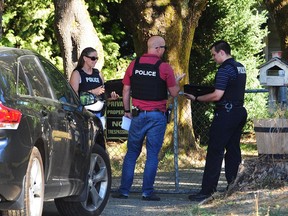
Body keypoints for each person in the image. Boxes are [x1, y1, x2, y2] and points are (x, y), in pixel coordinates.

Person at [112, 35, 185, 201]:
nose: (164, 51)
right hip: (156, 116)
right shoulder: (164, 67)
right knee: (152, 154)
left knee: (131, 153)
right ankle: (147, 192)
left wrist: (126, 110)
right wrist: (177, 81)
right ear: (158, 48)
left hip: (137, 115)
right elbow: (174, 93)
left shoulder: (134, 65)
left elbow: (125, 90)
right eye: (164, 48)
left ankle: (124, 191)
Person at [184, 40, 247, 202]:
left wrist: (196, 97)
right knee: (233, 150)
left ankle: (207, 191)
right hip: (239, 111)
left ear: (222, 52)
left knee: (215, 151)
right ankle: (234, 186)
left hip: (225, 113)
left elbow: (217, 95)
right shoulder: (240, 67)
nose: (213, 58)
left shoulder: (224, 70)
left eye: (214, 54)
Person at [70, 47, 119, 129]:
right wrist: (92, 92)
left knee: (99, 139)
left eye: (97, 58)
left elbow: (103, 93)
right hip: (84, 114)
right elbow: (73, 95)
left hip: (100, 113)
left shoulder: (98, 73)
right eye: (93, 58)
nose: (95, 61)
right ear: (85, 58)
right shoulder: (77, 73)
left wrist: (110, 97)